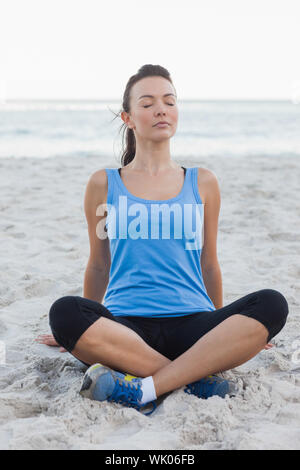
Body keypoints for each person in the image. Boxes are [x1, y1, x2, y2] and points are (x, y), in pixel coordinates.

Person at [36, 64, 289, 416]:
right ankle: (192, 377)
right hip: (126, 327)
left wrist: (224, 331)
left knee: (273, 304)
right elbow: (99, 263)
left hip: (194, 323)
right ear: (128, 117)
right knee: (64, 312)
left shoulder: (203, 182)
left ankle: (145, 387)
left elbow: (209, 262)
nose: (161, 109)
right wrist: (82, 332)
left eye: (169, 101)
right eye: (148, 102)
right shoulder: (103, 184)